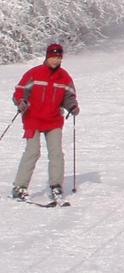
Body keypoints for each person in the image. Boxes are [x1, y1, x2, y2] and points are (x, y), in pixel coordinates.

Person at [11, 43, 79, 204]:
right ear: (47, 57)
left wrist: (73, 106)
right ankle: (19, 187)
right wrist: (21, 102)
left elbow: (69, 97)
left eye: (58, 57)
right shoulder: (34, 73)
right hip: (32, 119)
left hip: (53, 120)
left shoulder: (64, 77)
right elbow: (19, 91)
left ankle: (56, 185)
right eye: (52, 57)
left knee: (56, 153)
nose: (55, 60)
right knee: (32, 152)